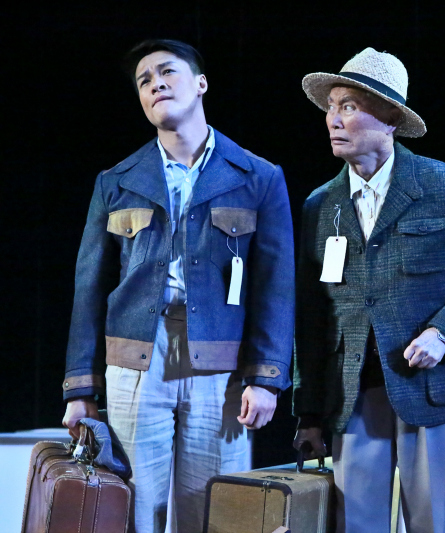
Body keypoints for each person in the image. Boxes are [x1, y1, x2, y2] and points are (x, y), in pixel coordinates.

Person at [60, 39, 294, 532]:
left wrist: (266, 376)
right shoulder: (117, 180)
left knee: (215, 508)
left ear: (200, 84)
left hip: (221, 361)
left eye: (167, 72)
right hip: (135, 356)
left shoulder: (258, 177)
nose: (155, 84)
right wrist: (80, 388)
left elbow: (276, 287)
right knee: (135, 507)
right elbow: (88, 288)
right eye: (144, 81)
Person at [292, 48, 445, 533]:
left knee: (437, 524)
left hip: (433, 391)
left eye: (348, 105)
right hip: (351, 396)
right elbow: (311, 316)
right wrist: (308, 412)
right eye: (331, 107)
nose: (333, 118)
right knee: (356, 525)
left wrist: (444, 333)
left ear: (390, 118)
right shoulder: (319, 205)